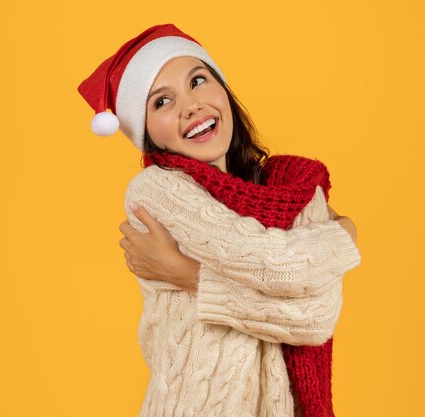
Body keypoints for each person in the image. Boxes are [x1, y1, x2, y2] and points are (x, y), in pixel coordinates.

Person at [78, 23, 361, 417]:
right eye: (162, 102)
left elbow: (317, 319)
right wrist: (342, 235)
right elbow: (283, 271)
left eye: (198, 80)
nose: (190, 105)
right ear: (149, 135)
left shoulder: (295, 190)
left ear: (223, 91)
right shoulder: (157, 193)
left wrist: (187, 274)